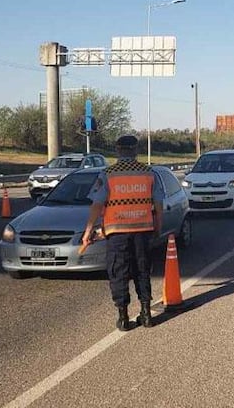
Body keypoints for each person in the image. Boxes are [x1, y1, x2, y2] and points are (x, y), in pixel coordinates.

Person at [82, 135, 165, 331]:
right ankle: (146, 314)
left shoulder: (108, 174)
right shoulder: (149, 173)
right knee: (142, 270)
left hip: (117, 233)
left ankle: (123, 317)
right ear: (136, 150)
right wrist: (158, 227)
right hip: (143, 230)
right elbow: (159, 205)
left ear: (117, 150)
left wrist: (88, 231)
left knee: (118, 272)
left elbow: (96, 205)